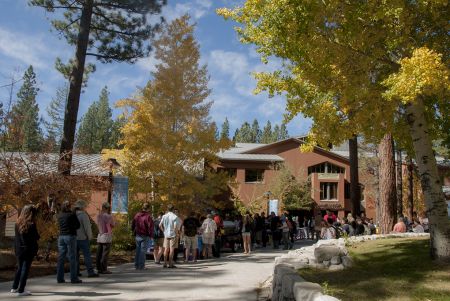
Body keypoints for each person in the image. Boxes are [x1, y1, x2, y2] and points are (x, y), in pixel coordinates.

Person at [11, 205, 39, 296]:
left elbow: (18, 237)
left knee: (20, 268)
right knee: (25, 269)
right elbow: (36, 237)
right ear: (31, 213)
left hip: (18, 249)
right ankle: (21, 290)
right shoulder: (31, 224)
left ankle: (14, 287)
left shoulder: (17, 223)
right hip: (28, 249)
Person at [57, 201, 81, 284]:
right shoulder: (72, 214)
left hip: (61, 236)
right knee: (72, 257)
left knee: (61, 258)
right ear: (69, 206)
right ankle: (74, 278)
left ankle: (60, 278)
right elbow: (78, 225)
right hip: (70, 236)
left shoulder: (59, 215)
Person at [74, 200, 98, 278]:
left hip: (74, 238)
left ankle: (76, 271)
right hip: (83, 238)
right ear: (82, 207)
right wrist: (90, 236)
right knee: (87, 255)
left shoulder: (72, 214)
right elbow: (87, 228)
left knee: (75, 256)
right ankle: (90, 272)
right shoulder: (83, 215)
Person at [132, 202, 154, 270]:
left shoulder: (137, 215)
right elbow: (150, 227)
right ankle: (141, 266)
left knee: (138, 250)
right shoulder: (148, 216)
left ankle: (136, 265)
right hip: (145, 235)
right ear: (148, 209)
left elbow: (133, 224)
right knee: (142, 251)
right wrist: (151, 235)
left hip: (138, 235)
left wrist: (133, 231)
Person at [96, 202, 115, 274]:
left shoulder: (99, 216)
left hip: (100, 235)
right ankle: (104, 269)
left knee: (99, 253)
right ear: (107, 208)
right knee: (105, 253)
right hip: (106, 235)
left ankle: (99, 268)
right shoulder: (109, 216)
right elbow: (112, 225)